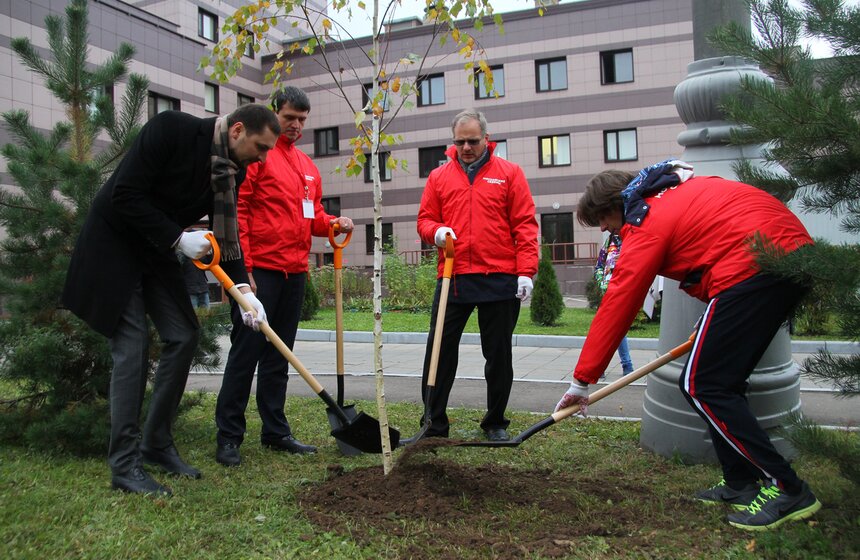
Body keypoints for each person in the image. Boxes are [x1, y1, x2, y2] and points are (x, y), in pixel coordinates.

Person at [554, 160, 821, 531]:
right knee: (722, 381)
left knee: (704, 384)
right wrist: (714, 312)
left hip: (756, 267)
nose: (603, 227)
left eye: (601, 217)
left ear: (617, 204)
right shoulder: (672, 193)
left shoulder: (646, 220)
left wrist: (581, 381)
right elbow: (715, 241)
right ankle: (741, 483)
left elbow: (620, 301)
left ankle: (788, 488)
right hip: (782, 258)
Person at [62, 104, 280, 496]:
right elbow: (123, 194)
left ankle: (156, 443)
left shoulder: (234, 168)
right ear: (237, 131)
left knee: (183, 335)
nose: (263, 157)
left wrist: (244, 290)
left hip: (153, 252)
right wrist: (178, 238)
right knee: (132, 346)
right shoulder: (171, 130)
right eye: (261, 146)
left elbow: (225, 235)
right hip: (113, 244)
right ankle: (125, 465)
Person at [214, 87, 354, 467]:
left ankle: (275, 431)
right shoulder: (258, 156)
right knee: (246, 353)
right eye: (290, 118)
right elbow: (239, 212)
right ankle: (228, 436)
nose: (296, 126)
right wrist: (241, 274)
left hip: (294, 272)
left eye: (302, 120)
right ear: (274, 113)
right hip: (260, 273)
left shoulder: (307, 166)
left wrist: (332, 224)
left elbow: (311, 217)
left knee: (280, 356)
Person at [416, 109, 539, 442]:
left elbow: (525, 225)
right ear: (452, 142)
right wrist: (437, 232)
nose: (466, 147)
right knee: (439, 350)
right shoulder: (439, 177)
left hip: (499, 277)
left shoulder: (510, 174)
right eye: (460, 142)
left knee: (498, 354)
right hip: (453, 276)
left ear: (487, 138)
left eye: (472, 141)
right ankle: (433, 422)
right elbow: (425, 220)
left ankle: (495, 421)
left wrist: (526, 272)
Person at [593, 233, 634, 378]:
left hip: (623, 290)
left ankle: (622, 366)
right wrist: (602, 283)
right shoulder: (610, 241)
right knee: (609, 328)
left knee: (614, 328)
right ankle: (625, 366)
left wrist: (625, 260)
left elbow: (640, 265)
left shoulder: (631, 240)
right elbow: (599, 265)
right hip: (607, 292)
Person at [179, 232, 211, 309]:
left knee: (206, 313)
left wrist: (209, 253)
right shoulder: (182, 255)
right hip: (191, 290)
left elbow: (209, 262)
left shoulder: (200, 255)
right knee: (195, 313)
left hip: (202, 288)